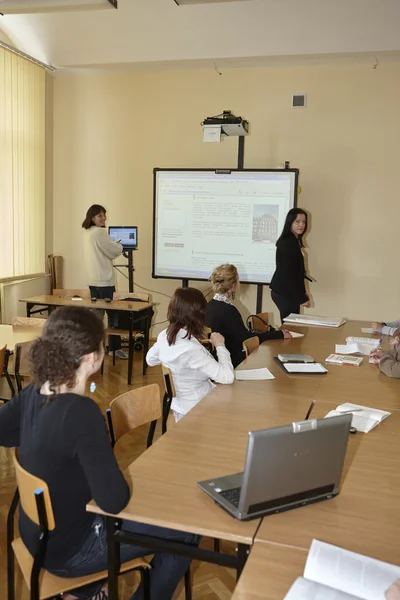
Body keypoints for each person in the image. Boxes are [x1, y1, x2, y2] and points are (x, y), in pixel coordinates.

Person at [0, 306, 199, 600]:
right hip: (70, 550)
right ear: (93, 357)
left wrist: (47, 446)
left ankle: (86, 590)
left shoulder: (35, 391)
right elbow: (114, 500)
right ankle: (89, 586)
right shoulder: (81, 412)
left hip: (34, 534)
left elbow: (4, 431)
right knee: (186, 533)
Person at [146, 287, 234, 422]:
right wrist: (220, 346)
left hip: (182, 407)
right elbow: (227, 377)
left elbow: (150, 360)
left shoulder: (165, 335)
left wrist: (165, 352)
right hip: (199, 410)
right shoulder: (191, 350)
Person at [206, 264, 291, 369]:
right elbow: (247, 339)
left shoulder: (208, 305)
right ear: (233, 285)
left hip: (214, 359)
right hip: (231, 361)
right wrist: (277, 334)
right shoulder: (228, 310)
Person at [82, 204, 127, 359]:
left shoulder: (88, 232)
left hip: (93, 281)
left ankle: (93, 350)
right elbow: (113, 251)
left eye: (104, 215)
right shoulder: (100, 232)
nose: (103, 218)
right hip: (105, 281)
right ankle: (115, 349)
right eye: (100, 215)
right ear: (92, 217)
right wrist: (119, 245)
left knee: (96, 317)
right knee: (114, 315)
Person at [270, 208, 312, 323]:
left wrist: (302, 293)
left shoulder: (292, 241)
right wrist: (301, 297)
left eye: (304, 222)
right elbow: (288, 274)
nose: (301, 225)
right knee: (291, 327)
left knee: (293, 325)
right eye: (297, 221)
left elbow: (297, 272)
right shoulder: (287, 243)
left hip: (288, 291)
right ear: (290, 222)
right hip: (284, 292)